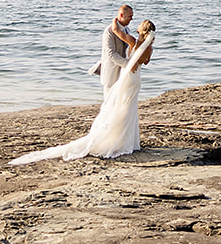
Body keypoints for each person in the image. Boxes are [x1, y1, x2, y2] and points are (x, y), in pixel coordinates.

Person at [12, 20, 155, 164]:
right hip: (137, 78)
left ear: (142, 30)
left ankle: (116, 136)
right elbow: (145, 62)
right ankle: (127, 139)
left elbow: (116, 31)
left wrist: (115, 20)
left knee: (120, 107)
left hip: (127, 77)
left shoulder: (133, 42)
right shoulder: (149, 48)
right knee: (129, 108)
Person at [89, 4, 138, 91]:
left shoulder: (126, 29)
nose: (131, 19)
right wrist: (128, 64)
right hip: (111, 72)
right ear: (122, 15)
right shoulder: (109, 31)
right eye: (130, 16)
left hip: (122, 72)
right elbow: (110, 54)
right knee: (109, 101)